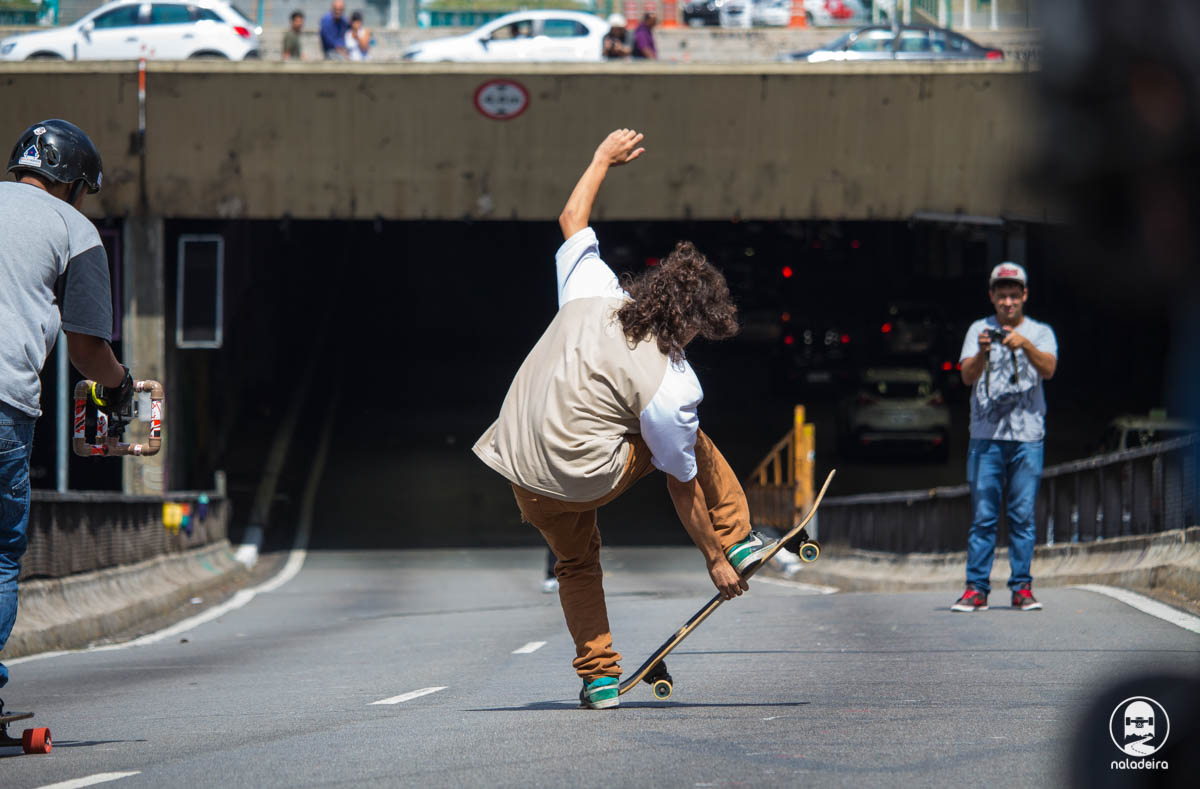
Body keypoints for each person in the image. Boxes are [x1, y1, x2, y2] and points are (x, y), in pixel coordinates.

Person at [473, 129, 776, 710]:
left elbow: (570, 216)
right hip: (588, 473)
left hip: (520, 471)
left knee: (575, 563)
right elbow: (682, 483)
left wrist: (601, 159)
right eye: (697, 334)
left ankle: (600, 678)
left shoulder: (592, 288)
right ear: (689, 325)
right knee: (691, 443)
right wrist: (714, 557)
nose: (694, 343)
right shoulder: (675, 381)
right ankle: (740, 539)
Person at [0, 119, 133, 690]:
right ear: (73, 183)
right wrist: (122, 387)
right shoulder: (74, 230)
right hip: (4, 401)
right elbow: (85, 349)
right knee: (2, 558)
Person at [951, 262, 1058, 613]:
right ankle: (975, 589)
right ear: (992, 297)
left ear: (1024, 295)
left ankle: (1022, 588)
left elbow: (1049, 369)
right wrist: (984, 351)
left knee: (1023, 516)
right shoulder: (977, 330)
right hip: (986, 438)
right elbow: (966, 377)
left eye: (1014, 295)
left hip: (1028, 437)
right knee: (983, 516)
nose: (1008, 302)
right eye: (1002, 296)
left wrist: (1023, 344)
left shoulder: (1040, 332)